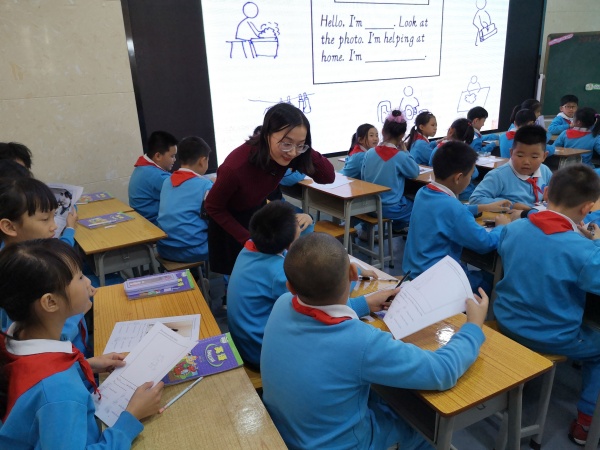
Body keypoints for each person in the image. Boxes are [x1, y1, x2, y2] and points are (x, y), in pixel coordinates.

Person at [260, 232, 489, 450]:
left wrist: (364, 303)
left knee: (379, 395)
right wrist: (473, 327)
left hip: (288, 434)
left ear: (290, 287)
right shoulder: (360, 342)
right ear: (353, 273)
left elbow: (319, 310)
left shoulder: (282, 303)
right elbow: (441, 371)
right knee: (425, 429)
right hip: (345, 445)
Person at [0, 239, 164, 448]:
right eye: (79, 277)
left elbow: (34, 387)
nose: (88, 282)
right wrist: (131, 417)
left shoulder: (16, 336)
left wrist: (85, 365)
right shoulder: (58, 391)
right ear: (50, 302)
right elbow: (51, 395)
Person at [492, 164, 600, 446]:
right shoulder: (585, 251)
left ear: (547, 192)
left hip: (505, 322)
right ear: (587, 208)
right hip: (551, 336)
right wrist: (596, 243)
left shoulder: (514, 229)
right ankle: (586, 422)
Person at [204, 102, 334, 278]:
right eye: (286, 143)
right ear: (267, 135)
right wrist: (247, 239)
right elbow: (212, 206)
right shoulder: (236, 167)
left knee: (264, 273)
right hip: (230, 223)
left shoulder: (288, 153)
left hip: (255, 214)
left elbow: (327, 177)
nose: (292, 152)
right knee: (240, 276)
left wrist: (305, 148)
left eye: (300, 145)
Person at [404, 141, 512, 291]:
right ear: (458, 178)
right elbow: (485, 243)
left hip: (414, 273)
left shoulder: (423, 192)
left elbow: (446, 211)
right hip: (437, 283)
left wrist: (483, 207)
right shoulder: (454, 209)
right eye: (470, 175)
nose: (470, 180)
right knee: (494, 280)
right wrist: (501, 227)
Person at [0, 177, 87, 354]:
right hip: (61, 358)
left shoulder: (31, 257)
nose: (54, 226)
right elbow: (45, 340)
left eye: (54, 216)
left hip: (73, 358)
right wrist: (78, 305)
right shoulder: (16, 274)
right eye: (45, 219)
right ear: (9, 227)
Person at [469, 125, 552, 215]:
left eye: (534, 157)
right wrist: (512, 205)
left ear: (544, 156)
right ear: (511, 153)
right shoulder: (498, 175)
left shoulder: (545, 171)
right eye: (520, 155)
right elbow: (475, 199)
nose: (526, 162)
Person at [156, 136, 213, 263]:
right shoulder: (205, 186)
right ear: (202, 161)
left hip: (164, 249)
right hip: (193, 251)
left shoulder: (167, 181)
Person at [361, 110, 420, 232]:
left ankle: (395, 227)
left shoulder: (369, 153)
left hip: (369, 206)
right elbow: (415, 172)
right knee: (418, 205)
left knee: (403, 198)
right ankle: (399, 227)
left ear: (382, 131)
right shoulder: (400, 156)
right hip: (390, 208)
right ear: (402, 135)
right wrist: (405, 151)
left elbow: (363, 177)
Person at [128, 131, 178, 225]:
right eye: (172, 156)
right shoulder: (157, 176)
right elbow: (184, 194)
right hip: (154, 225)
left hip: (143, 222)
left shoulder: (143, 167)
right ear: (158, 156)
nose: (175, 160)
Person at [428, 118, 477, 200]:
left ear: (450, 131)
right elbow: (475, 174)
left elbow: (430, 165)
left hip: (441, 190)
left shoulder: (437, 149)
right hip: (464, 192)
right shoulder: (464, 153)